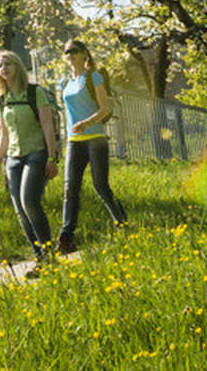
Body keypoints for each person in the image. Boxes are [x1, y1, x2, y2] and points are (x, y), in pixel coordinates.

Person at [0, 49, 59, 271]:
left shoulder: (34, 92)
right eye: (1, 66)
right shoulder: (3, 99)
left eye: (8, 63)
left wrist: (52, 157)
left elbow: (48, 125)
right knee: (20, 209)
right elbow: (5, 133)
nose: (4, 68)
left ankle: (49, 253)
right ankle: (40, 257)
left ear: (18, 66)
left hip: (36, 153)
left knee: (29, 201)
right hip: (13, 158)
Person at [57, 39, 128, 254]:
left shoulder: (93, 77)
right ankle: (66, 236)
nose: (70, 54)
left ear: (84, 54)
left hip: (95, 138)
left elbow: (106, 108)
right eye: (67, 51)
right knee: (70, 188)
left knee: (100, 186)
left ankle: (121, 223)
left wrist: (87, 123)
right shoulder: (64, 83)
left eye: (74, 51)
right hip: (73, 141)